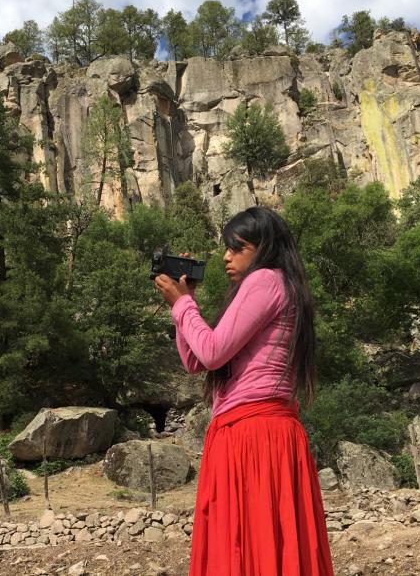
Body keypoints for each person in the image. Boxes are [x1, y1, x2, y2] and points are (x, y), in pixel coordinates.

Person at [154, 206, 334, 576]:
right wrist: (185, 304)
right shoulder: (280, 285)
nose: (225, 256)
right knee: (267, 546)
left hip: (254, 435)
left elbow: (212, 351)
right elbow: (197, 361)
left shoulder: (266, 280)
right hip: (258, 432)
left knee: (245, 546)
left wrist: (182, 304)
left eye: (237, 248)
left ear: (264, 247)